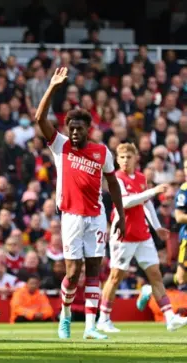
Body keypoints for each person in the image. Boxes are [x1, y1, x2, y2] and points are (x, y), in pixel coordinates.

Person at [35, 67, 126, 340]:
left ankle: (90, 326)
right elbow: (39, 118)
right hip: (71, 216)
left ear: (89, 129)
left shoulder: (102, 151)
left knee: (95, 271)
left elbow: (113, 183)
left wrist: (119, 214)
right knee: (73, 273)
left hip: (96, 215)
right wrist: (52, 87)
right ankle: (64, 315)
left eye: (79, 128)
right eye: (71, 128)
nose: (74, 132)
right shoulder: (60, 145)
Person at [98, 143, 187, 332]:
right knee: (115, 277)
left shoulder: (140, 178)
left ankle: (170, 317)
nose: (124, 161)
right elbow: (125, 202)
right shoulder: (116, 178)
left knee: (155, 275)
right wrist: (152, 192)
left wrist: (156, 227)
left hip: (142, 233)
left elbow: (146, 204)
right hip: (123, 233)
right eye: (121, 158)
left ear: (135, 158)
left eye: (128, 157)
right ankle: (103, 319)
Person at [174, 160, 187, 291]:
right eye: (185, 167)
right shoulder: (184, 190)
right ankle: (151, 289)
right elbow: (179, 216)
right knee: (182, 277)